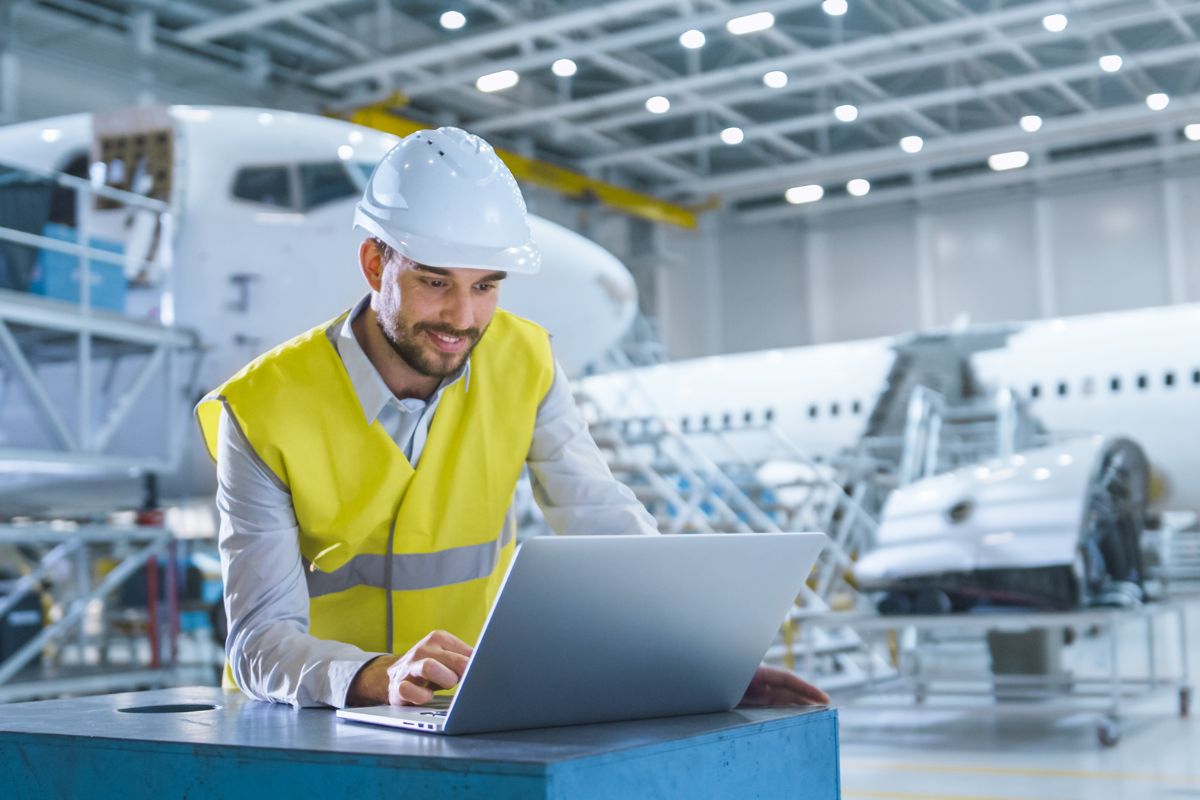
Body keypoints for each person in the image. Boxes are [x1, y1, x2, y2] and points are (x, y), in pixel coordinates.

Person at [196, 126, 828, 710]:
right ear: (373, 265)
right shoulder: (262, 410)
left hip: (464, 714)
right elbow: (258, 641)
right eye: (435, 283)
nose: (463, 320)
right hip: (310, 725)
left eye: (485, 287)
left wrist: (697, 658)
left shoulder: (524, 360)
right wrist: (374, 675)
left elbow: (599, 516)